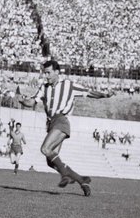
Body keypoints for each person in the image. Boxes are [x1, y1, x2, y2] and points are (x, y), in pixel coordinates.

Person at [17, 60, 110, 197]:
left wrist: (105, 94)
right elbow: (31, 102)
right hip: (51, 124)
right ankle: (81, 180)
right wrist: (21, 99)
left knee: (45, 149)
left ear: (57, 72)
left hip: (61, 121)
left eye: (48, 73)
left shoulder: (68, 85)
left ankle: (65, 174)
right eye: (44, 73)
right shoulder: (44, 87)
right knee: (50, 161)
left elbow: (89, 92)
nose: (46, 76)